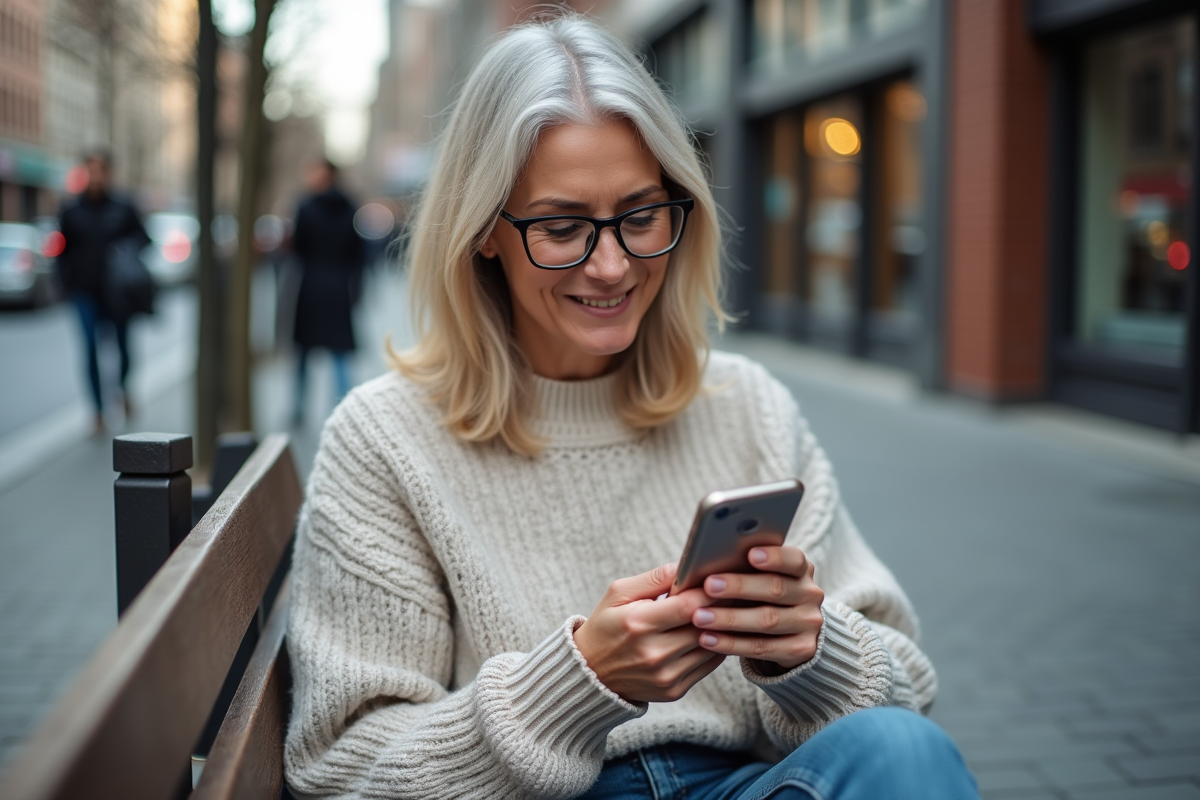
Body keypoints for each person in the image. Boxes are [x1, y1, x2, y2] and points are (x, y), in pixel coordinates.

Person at [284, 15, 978, 800]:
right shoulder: (385, 439)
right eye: (561, 225)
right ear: (483, 230)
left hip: (740, 783)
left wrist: (812, 655)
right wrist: (572, 689)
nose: (611, 265)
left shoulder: (747, 405)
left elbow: (909, 685)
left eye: (641, 216)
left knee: (904, 754)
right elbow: (344, 768)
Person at [56, 150, 150, 434]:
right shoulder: (71, 210)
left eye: (100, 170)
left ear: (108, 173)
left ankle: (122, 388)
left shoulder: (123, 206)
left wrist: (124, 249)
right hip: (85, 291)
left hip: (118, 292)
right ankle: (97, 410)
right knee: (90, 349)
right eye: (90, 169)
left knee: (122, 346)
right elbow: (62, 249)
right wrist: (67, 283)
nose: (95, 175)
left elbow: (143, 238)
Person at [290, 158, 366, 425]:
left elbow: (298, 249)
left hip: (311, 288)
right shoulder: (349, 208)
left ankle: (298, 408)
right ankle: (345, 409)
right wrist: (356, 290)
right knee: (339, 355)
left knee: (302, 354)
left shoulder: (305, 208)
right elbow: (358, 254)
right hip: (338, 290)